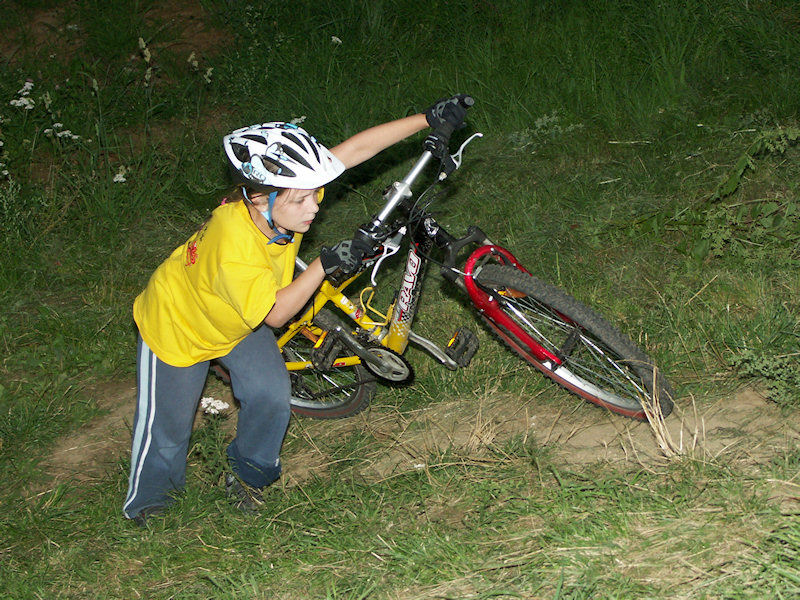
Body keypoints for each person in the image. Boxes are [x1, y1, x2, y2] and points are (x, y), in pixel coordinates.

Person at [122, 96, 470, 525]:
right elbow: (275, 315)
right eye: (302, 200)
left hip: (239, 317)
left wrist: (426, 119)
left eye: (313, 194)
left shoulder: (282, 199)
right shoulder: (233, 248)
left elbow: (356, 150)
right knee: (169, 428)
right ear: (258, 199)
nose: (315, 207)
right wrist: (324, 263)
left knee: (271, 396)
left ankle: (247, 476)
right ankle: (150, 503)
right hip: (179, 326)